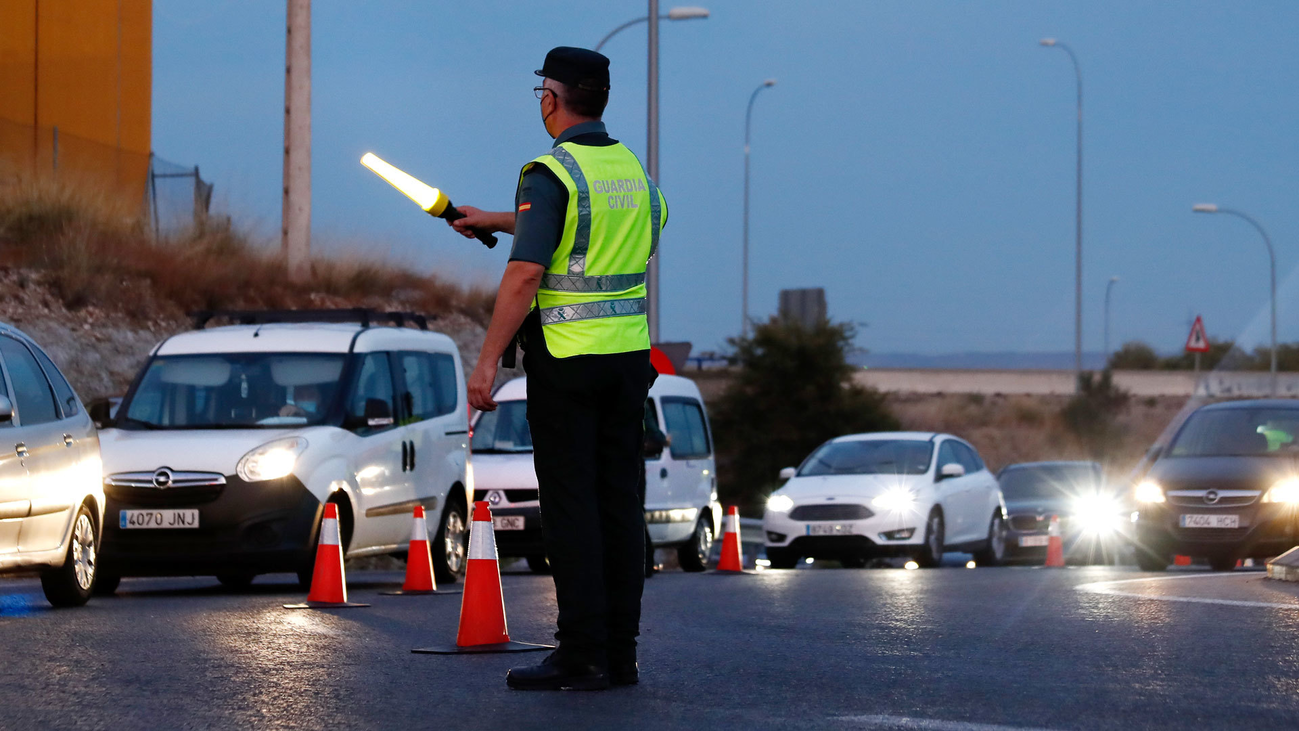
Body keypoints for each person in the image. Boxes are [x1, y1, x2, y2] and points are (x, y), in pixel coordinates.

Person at [453, 47, 667, 691]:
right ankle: (620, 654)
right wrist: (500, 220)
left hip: (568, 365)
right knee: (619, 507)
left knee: (572, 511)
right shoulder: (630, 168)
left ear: (552, 97)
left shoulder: (548, 171)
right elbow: (604, 234)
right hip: (629, 361)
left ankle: (579, 653)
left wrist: (487, 362)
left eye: (539, 91)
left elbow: (526, 273)